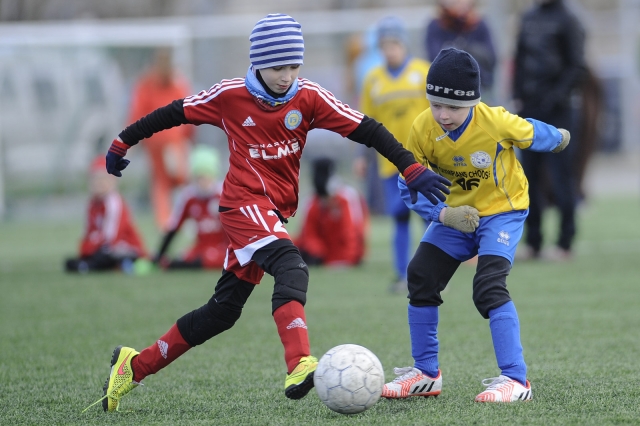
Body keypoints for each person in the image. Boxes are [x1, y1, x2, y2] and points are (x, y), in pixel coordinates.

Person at [85, 14, 470, 413]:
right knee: (292, 266)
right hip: (242, 205)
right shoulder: (229, 96)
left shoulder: (309, 98)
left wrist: (410, 169)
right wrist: (121, 142)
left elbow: (368, 129)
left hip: (272, 212)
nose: (287, 76)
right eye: (277, 67)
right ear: (257, 63)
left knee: (222, 312)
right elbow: (172, 113)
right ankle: (299, 363)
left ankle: (135, 365)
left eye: (293, 66)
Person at [380, 48, 571, 402]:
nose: (443, 114)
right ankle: (426, 374)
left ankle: (516, 380)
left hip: (503, 211)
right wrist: (442, 215)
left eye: (453, 107)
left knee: (488, 286)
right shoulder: (422, 128)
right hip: (455, 215)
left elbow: (530, 131)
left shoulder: (495, 121)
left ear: (472, 102)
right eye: (436, 104)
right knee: (420, 275)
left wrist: (558, 138)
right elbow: (409, 185)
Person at [355, 16, 431, 292]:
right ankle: (403, 275)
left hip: (422, 160)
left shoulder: (423, 72)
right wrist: (360, 156)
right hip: (390, 164)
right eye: (385, 46)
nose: (390, 51)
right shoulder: (373, 80)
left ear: (404, 44)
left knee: (429, 217)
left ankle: (433, 273)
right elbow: (364, 123)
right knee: (399, 216)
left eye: (395, 44)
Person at [512, 0, 585, 260]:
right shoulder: (528, 17)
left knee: (561, 177)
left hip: (559, 111)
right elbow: (519, 59)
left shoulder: (569, 19)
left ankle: (565, 242)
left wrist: (554, 97)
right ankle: (533, 242)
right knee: (527, 178)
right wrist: (518, 97)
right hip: (529, 109)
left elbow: (577, 67)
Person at [128, 48, 194, 229]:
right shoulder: (169, 83)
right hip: (170, 138)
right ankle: (184, 215)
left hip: (158, 138)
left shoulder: (148, 83)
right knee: (179, 178)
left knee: (162, 181)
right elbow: (188, 108)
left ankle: (166, 220)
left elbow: (137, 112)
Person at [152, 145, 229, 270]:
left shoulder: (224, 195)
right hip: (201, 249)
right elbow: (174, 227)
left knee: (205, 260)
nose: (203, 182)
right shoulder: (189, 197)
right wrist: (159, 255)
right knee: (177, 261)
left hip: (224, 249)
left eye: (207, 177)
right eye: (199, 177)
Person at [65, 157, 146, 273]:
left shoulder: (114, 202)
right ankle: (87, 265)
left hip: (123, 247)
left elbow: (111, 237)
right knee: (72, 261)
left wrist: (92, 245)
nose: (99, 183)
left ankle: (89, 266)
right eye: (95, 179)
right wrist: (87, 246)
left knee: (104, 255)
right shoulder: (92, 204)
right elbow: (88, 231)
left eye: (103, 179)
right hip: (101, 247)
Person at [295, 158, 368, 267]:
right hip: (323, 256)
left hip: (344, 255)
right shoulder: (312, 203)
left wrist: (349, 259)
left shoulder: (347, 199)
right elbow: (308, 235)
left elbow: (353, 232)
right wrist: (318, 252)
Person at [425, 0, 497, 103]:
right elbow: (435, 58)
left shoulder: (479, 24)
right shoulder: (437, 25)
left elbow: (491, 57)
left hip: (479, 86)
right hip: (447, 89)